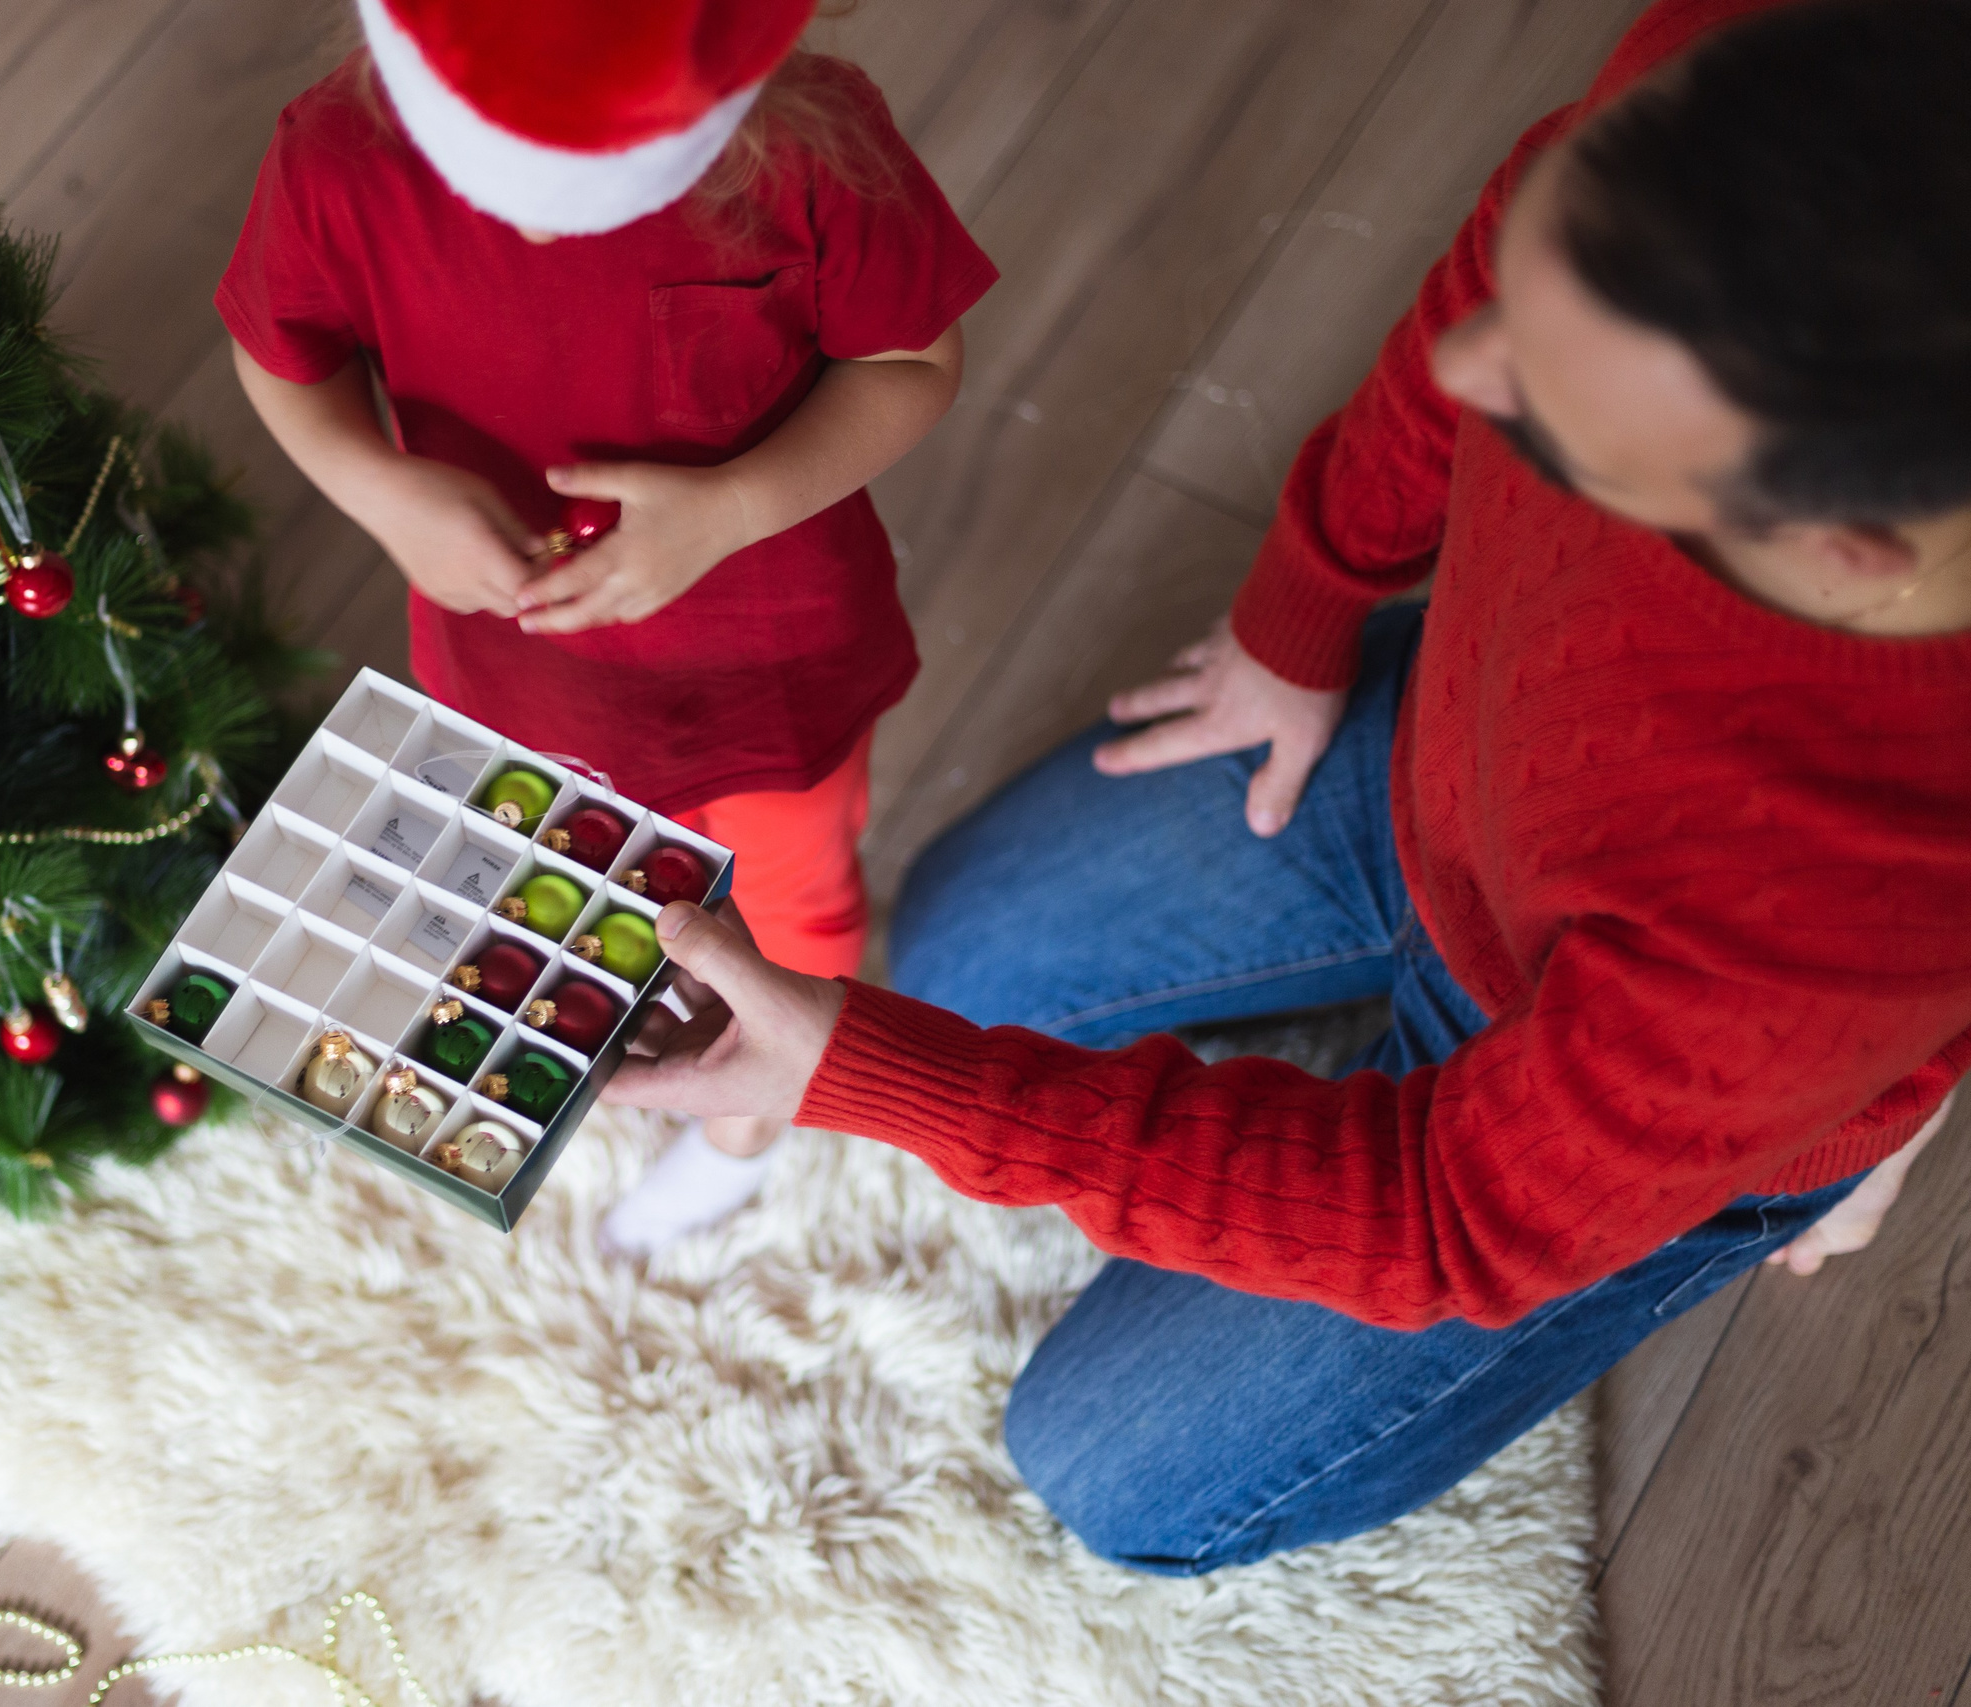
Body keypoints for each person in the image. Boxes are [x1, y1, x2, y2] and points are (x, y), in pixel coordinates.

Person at [608, 0, 1971, 1571]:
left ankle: (1830, 1142)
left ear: (1837, 553)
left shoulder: (1846, 909)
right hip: (1446, 768)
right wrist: (1305, 608)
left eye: (1553, 415)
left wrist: (859, 1073)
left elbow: (1437, 1217)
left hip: (1650, 1047)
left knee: (1108, 1470)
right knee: (973, 950)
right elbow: (1488, 289)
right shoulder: (1750, 87)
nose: (1468, 359)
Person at [217, 0, 995, 1255]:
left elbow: (913, 361)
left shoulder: (811, 146)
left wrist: (730, 506)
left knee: (795, 908)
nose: (537, 217)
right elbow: (282, 355)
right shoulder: (335, 152)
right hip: (509, 670)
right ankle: (588, 1020)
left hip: (772, 671)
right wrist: (377, 490)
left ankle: (748, 1118)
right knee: (545, 874)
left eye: (594, 181)